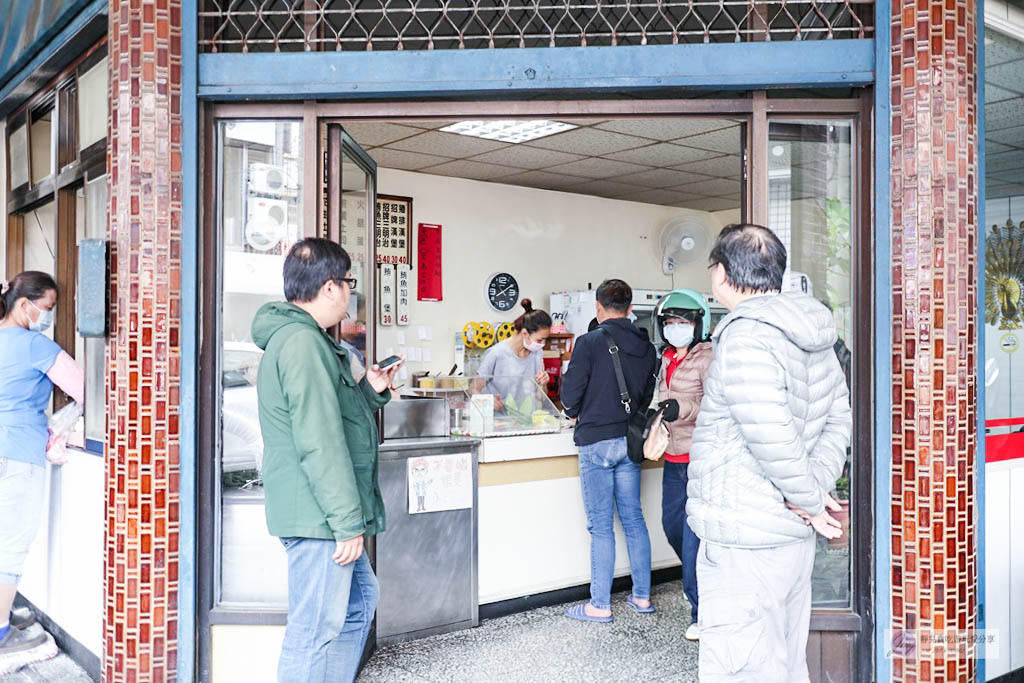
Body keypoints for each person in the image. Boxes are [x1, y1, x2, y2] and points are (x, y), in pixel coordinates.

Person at [687, 224, 852, 682]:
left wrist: (808, 497)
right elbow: (841, 416)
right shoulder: (811, 330)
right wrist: (813, 492)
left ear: (720, 274)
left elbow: (769, 433)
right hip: (788, 533)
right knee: (781, 658)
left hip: (746, 535)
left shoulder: (746, 336)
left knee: (742, 665)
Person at [252, 239, 402, 683]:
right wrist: (345, 522)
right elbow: (320, 439)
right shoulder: (302, 343)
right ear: (331, 287)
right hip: (319, 516)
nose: (349, 294)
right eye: (349, 283)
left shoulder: (305, 339)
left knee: (358, 606)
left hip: (321, 512)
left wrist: (370, 389)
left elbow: (331, 415)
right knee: (314, 630)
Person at [560, 279, 659, 622]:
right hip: (630, 442)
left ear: (598, 307)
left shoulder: (589, 342)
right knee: (634, 519)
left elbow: (570, 392)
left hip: (596, 442)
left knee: (601, 526)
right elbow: (647, 394)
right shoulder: (647, 346)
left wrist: (573, 409)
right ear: (630, 309)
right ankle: (642, 598)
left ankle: (599, 605)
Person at [0, 272, 84, 661]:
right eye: (47, 308)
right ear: (24, 304)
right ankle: (1, 635)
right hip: (17, 452)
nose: (47, 316)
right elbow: (89, 387)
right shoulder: (35, 345)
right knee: (11, 546)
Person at [652, 289, 713, 642]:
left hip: (698, 458)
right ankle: (703, 584)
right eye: (671, 323)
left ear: (698, 324)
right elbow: (665, 398)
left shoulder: (707, 358)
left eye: (683, 322)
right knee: (671, 526)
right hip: (672, 458)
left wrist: (682, 408)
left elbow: (716, 405)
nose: (677, 328)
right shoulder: (667, 358)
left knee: (692, 541)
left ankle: (701, 611)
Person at [473, 299, 552, 408]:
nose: (543, 344)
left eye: (545, 340)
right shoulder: (497, 353)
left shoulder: (537, 353)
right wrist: (488, 401)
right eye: (539, 340)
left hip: (526, 422)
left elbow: (541, 398)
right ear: (525, 333)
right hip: (499, 422)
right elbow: (473, 389)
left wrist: (543, 385)